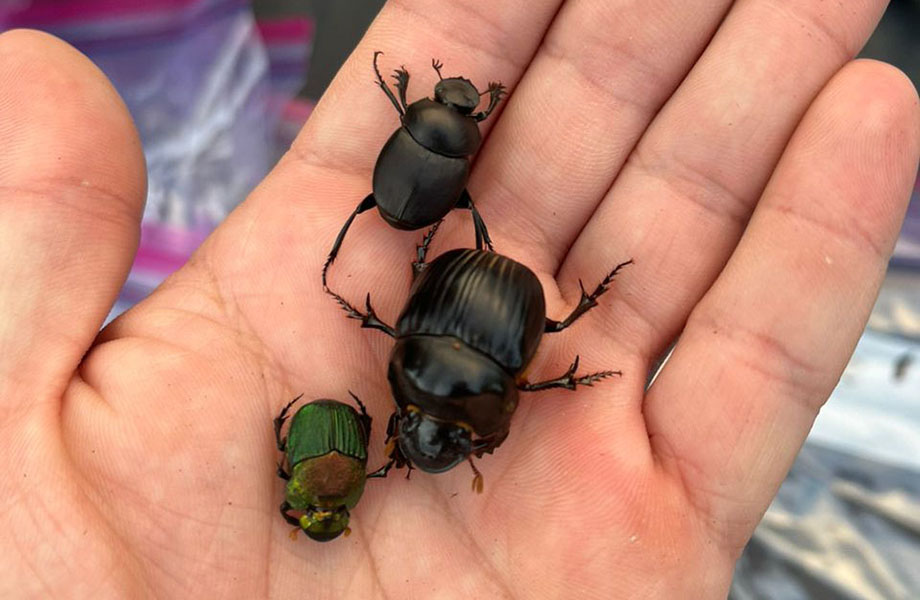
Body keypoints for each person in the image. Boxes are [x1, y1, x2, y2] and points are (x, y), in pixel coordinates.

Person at [0, 0, 917, 595]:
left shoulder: (474, 398)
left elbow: (505, 363)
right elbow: (425, 348)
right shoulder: (413, 381)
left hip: (497, 304)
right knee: (528, 328)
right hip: (456, 288)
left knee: (548, 330)